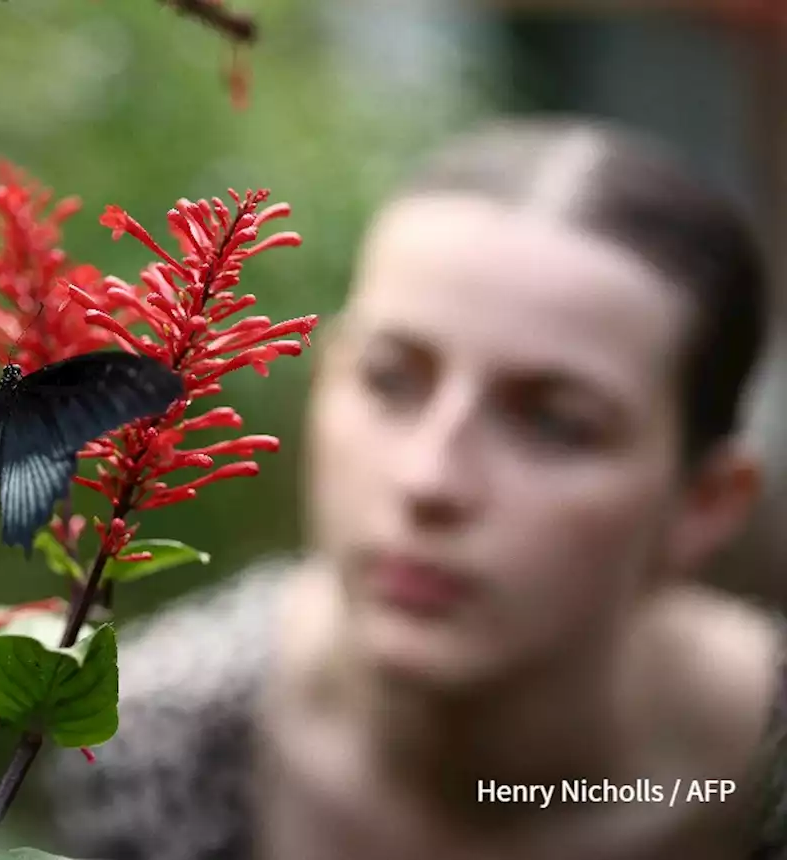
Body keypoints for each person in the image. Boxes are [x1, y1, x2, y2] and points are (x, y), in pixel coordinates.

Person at [40, 115, 787, 860]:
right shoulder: (146, 742)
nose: (429, 479)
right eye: (391, 380)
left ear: (704, 504)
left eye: (556, 424)